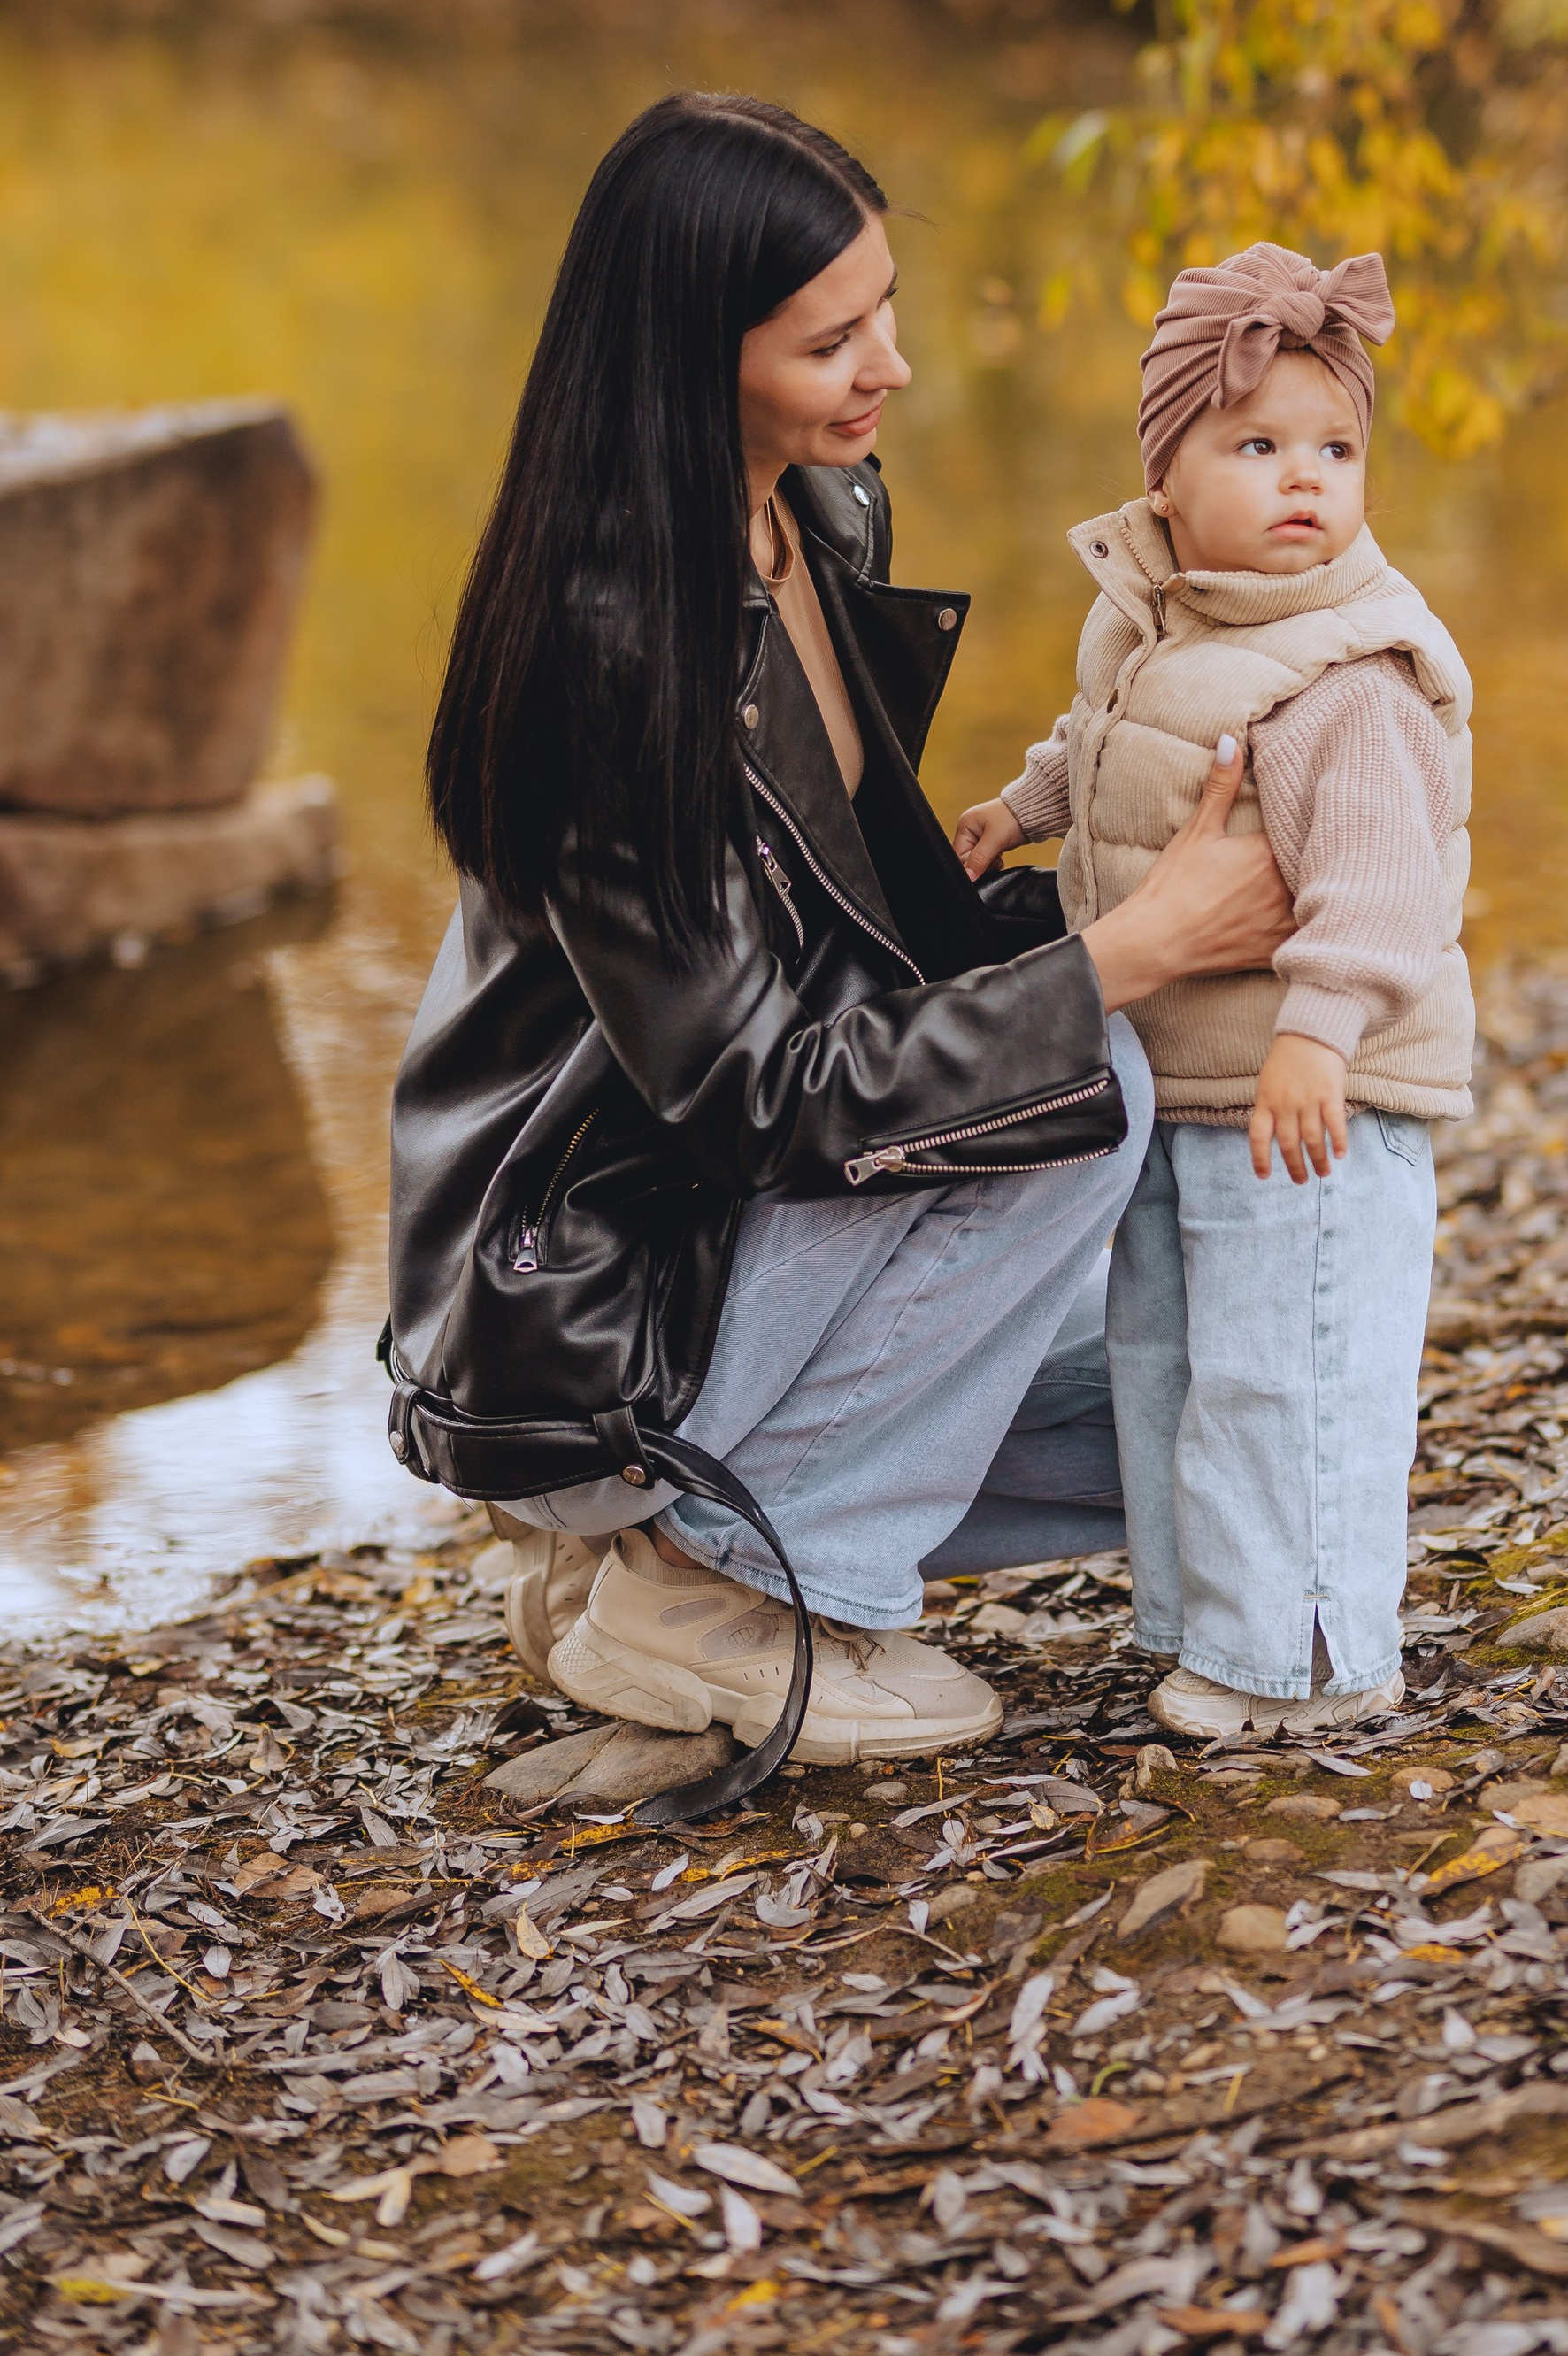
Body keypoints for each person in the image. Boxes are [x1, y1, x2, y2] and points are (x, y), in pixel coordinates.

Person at [388, 94, 1292, 1766]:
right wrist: (1128, 954)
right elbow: (758, 1094)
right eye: (831, 342)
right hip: (589, 1311)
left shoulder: (817, 510)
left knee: (1210, 1429)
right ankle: (700, 1587)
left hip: (735, 1247)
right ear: (690, 355)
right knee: (1086, 1066)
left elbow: (861, 929)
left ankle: (654, 1557)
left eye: (885, 309)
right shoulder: (608, 646)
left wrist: (1101, 868)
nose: (892, 367)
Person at [955, 243, 1476, 1740]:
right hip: (1189, 1085)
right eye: (1257, 447)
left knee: (1289, 1374)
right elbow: (1113, 741)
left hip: (1313, 1095)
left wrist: (1319, 1032)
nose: (1304, 478)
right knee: (1170, 1364)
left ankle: (1308, 1665)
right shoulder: (1165, 620)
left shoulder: (1347, 674)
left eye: (1335, 450)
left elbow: (1383, 884)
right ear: (1166, 478)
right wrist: (1022, 807)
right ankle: (1211, 1632)